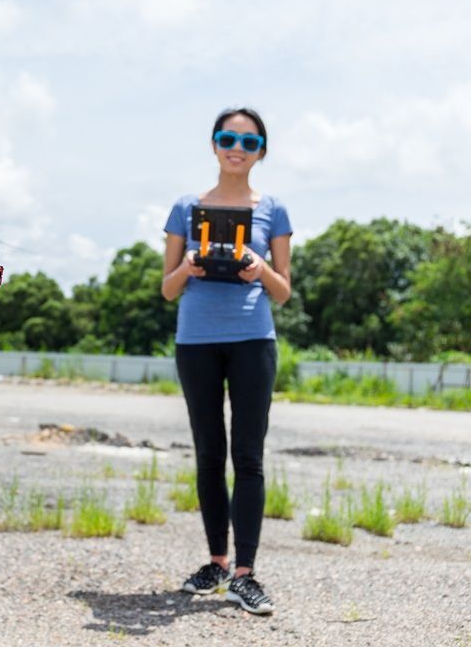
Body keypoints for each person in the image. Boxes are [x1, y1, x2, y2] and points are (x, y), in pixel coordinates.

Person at [161, 107, 292, 616]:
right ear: (214, 144)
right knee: (209, 453)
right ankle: (216, 561)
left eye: (249, 141)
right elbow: (167, 288)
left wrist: (259, 268)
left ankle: (244, 574)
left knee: (249, 456)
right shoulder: (185, 208)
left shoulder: (273, 210)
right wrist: (190, 266)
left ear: (261, 151)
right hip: (196, 340)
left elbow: (283, 291)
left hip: (252, 340)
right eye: (228, 138)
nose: (237, 148)